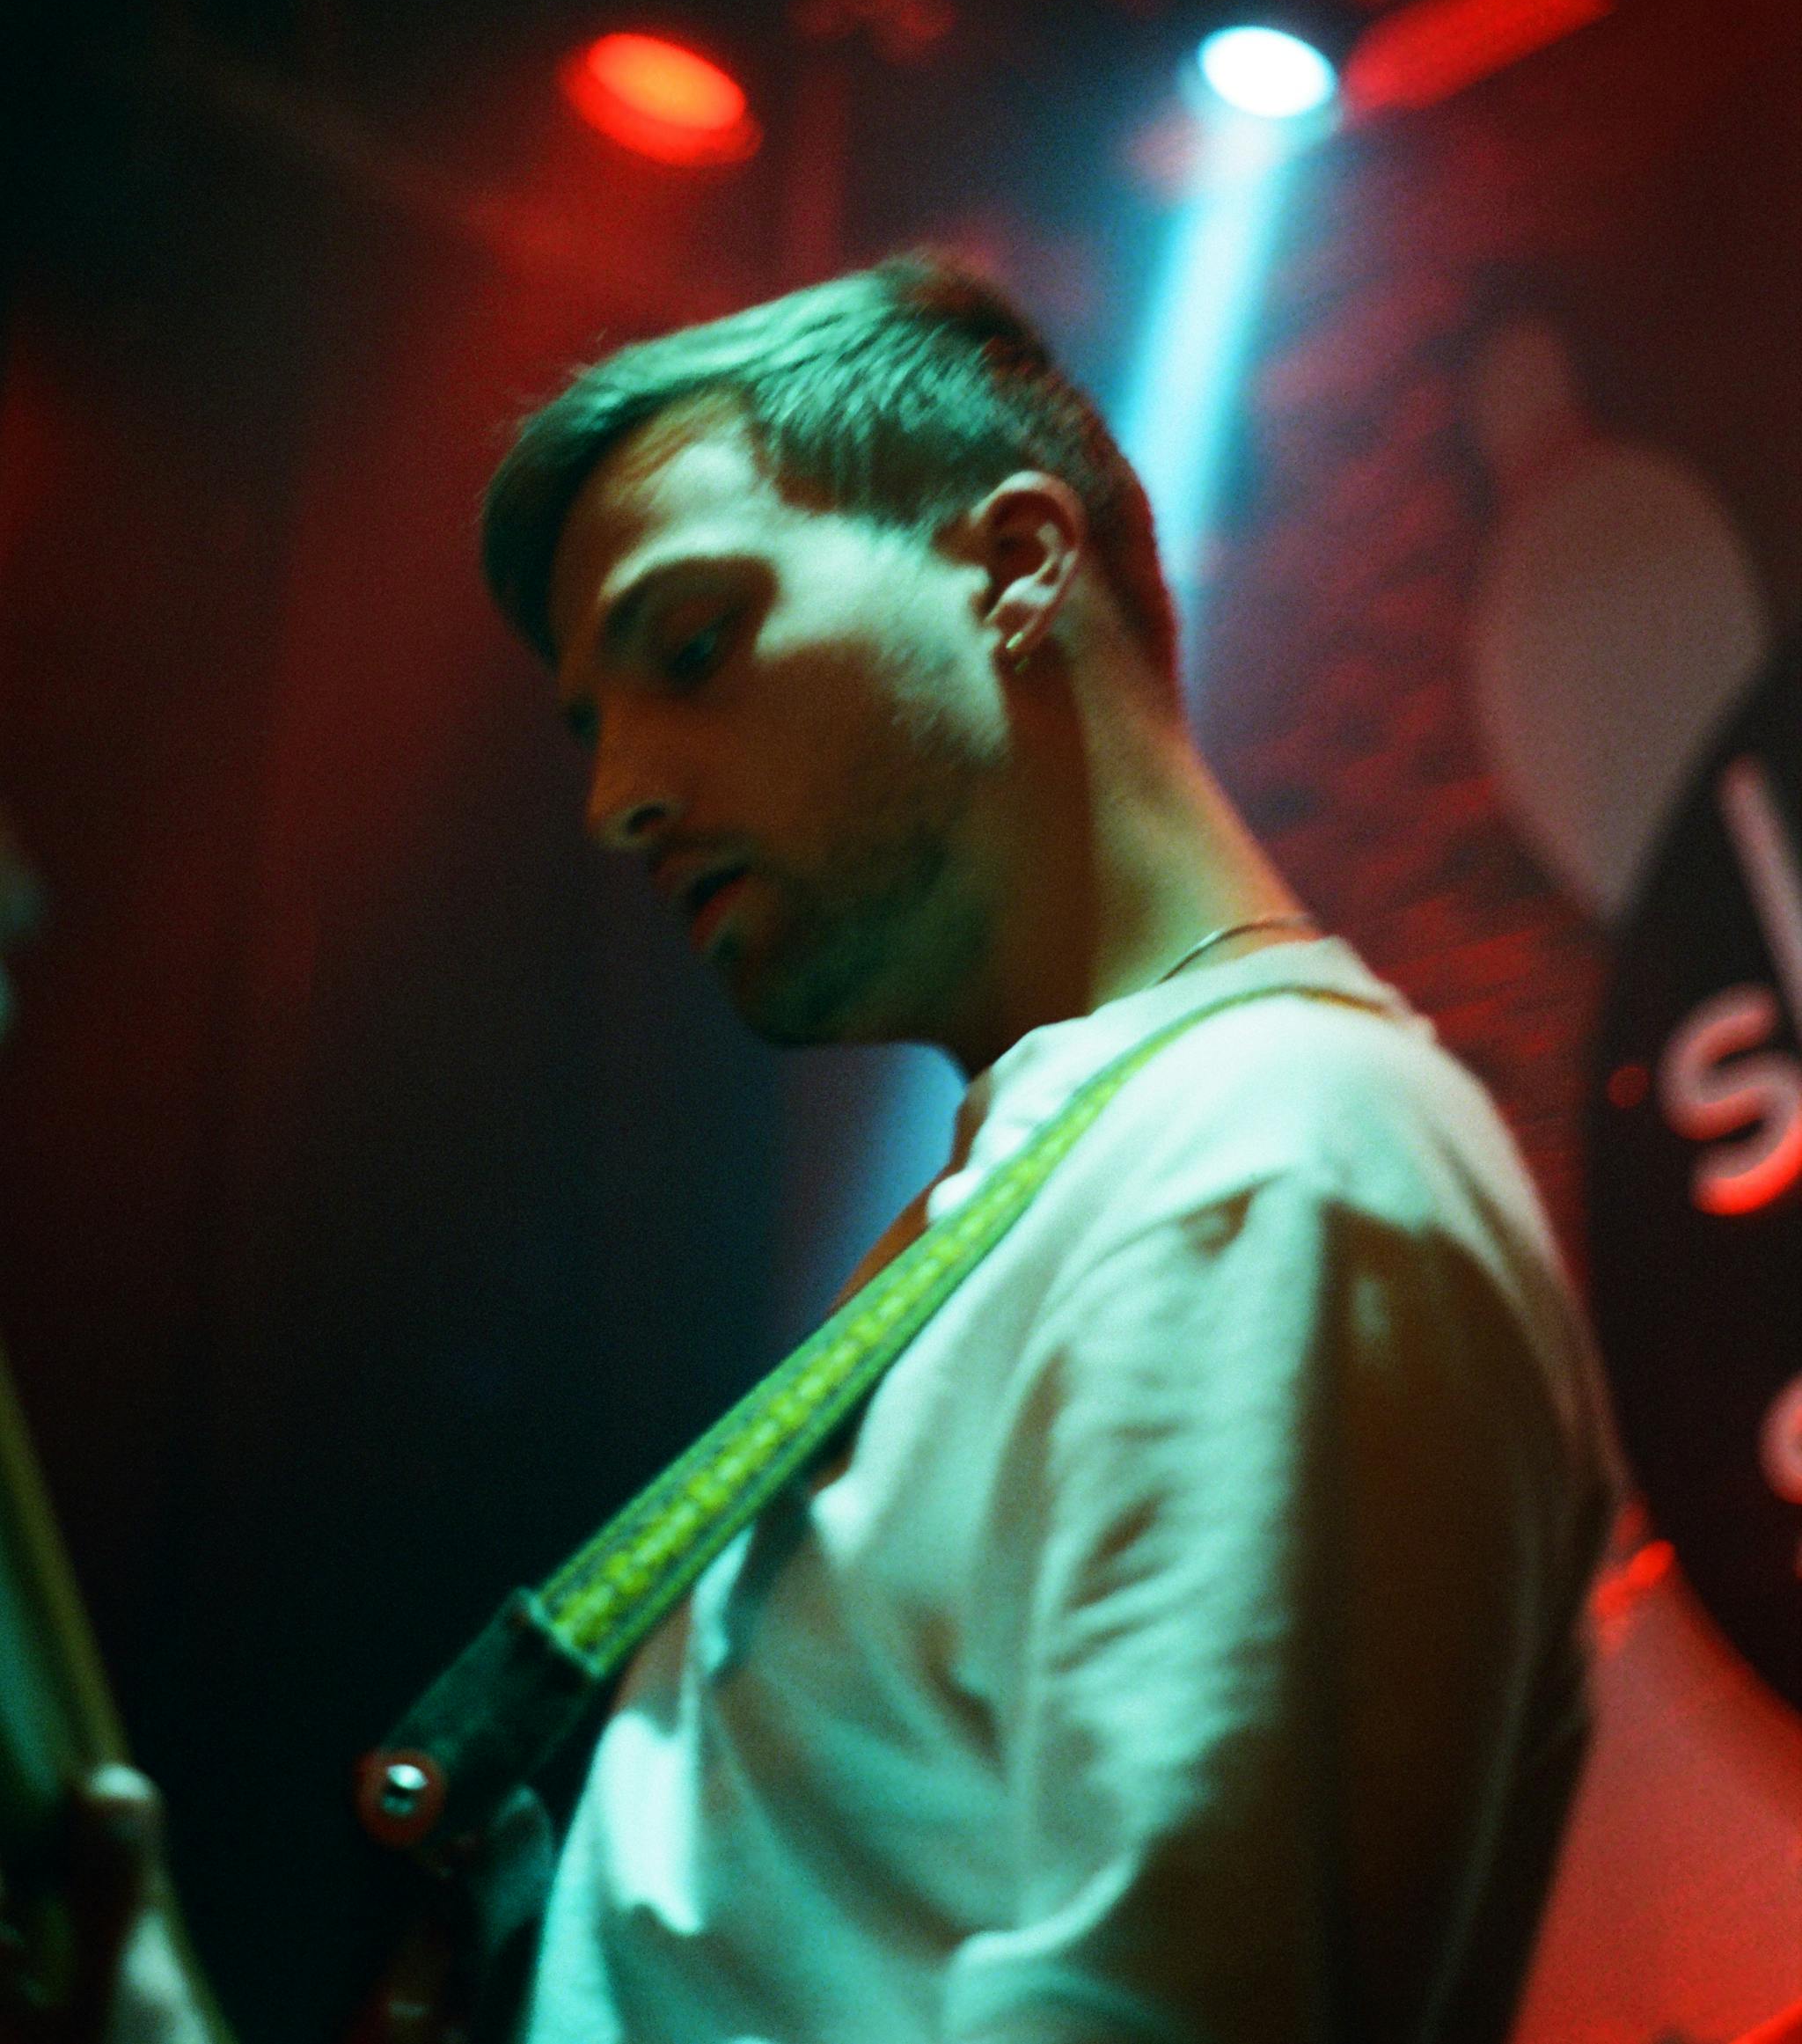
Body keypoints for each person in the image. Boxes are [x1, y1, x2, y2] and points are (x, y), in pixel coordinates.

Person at [4, 257, 1617, 2041]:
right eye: (591, 722)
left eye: (691, 647)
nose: (615, 797)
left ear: (1015, 567)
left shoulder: (1262, 1167)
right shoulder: (1103, 1179)